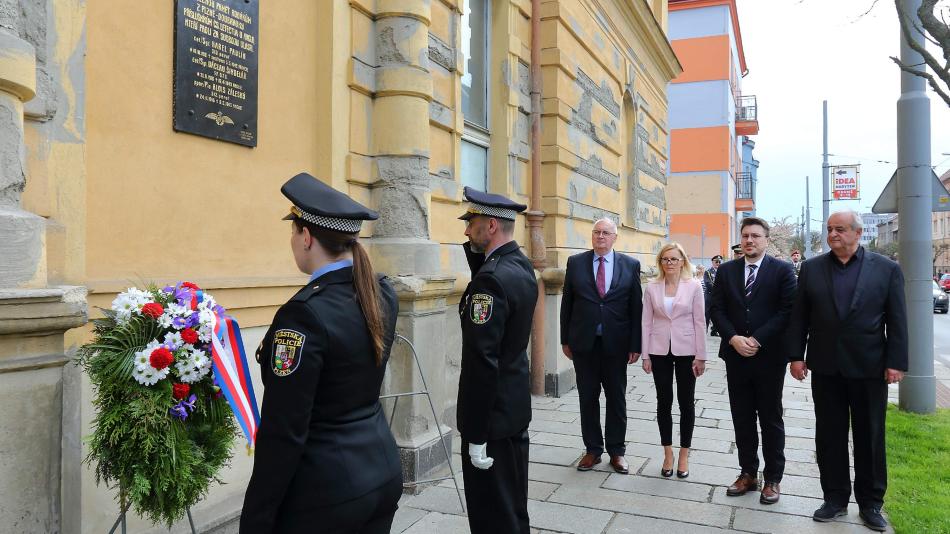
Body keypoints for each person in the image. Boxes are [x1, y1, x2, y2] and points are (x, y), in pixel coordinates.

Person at [241, 173, 401, 534]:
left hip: (326, 492)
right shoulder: (381, 294)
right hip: (379, 469)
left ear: (307, 236)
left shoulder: (302, 315)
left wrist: (257, 518)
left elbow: (285, 431)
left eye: (293, 231)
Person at [787, 210, 907, 532]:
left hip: (869, 368)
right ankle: (835, 498)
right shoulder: (812, 269)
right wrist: (796, 356)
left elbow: (897, 320)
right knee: (829, 435)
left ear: (857, 233)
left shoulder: (886, 269)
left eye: (840, 229)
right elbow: (800, 317)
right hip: (825, 367)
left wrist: (896, 362)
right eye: (829, 230)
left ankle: (870, 504)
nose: (833, 234)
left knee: (870, 436)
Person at [457, 187, 537, 534]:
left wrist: (476, 433)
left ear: (490, 226)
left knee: (492, 514)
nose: (465, 230)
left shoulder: (489, 281)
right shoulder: (519, 265)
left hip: (491, 417)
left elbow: (482, 361)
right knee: (512, 506)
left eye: (471, 222)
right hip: (513, 407)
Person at [709, 217, 797, 505]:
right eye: (745, 235)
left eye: (755, 236)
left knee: (770, 418)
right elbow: (717, 309)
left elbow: (787, 311)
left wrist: (757, 339)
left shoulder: (782, 271)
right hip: (735, 356)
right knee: (742, 416)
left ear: (766, 240)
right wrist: (733, 338)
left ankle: (773, 478)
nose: (749, 240)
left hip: (769, 357)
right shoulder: (727, 271)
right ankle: (748, 472)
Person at [560, 218, 643, 474]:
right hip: (584, 343)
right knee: (588, 397)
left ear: (615, 237)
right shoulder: (576, 263)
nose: (600, 237)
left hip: (616, 344)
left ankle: (617, 451)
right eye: (596, 232)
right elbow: (567, 304)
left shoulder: (630, 265)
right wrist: (565, 339)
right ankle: (593, 450)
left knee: (616, 398)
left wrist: (635, 344)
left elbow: (635, 307)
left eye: (606, 233)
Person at [641, 243, 706, 479]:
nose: (670, 263)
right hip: (659, 350)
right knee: (663, 401)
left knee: (686, 402)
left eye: (674, 259)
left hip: (687, 349)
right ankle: (667, 452)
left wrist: (702, 356)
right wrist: (645, 354)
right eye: (665, 259)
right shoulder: (652, 286)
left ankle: (684, 453)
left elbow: (700, 321)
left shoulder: (694, 286)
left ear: (682, 261)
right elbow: (646, 322)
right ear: (660, 262)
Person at [703, 255, 723, 336]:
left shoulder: (723, 271)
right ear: (712, 262)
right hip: (710, 297)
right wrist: (719, 289)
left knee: (718, 314)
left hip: (719, 297)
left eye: (719, 262)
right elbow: (708, 284)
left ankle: (715, 330)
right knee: (707, 314)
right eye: (716, 261)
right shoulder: (708, 272)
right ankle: (704, 331)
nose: (718, 263)